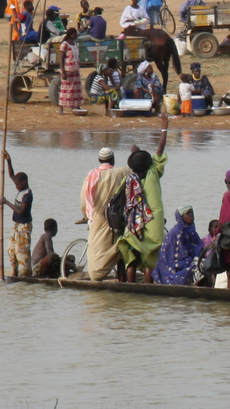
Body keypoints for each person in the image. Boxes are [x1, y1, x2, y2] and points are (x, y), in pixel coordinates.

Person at [116, 131, 169, 281]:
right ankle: (148, 288)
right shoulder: (153, 172)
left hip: (134, 224)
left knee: (132, 259)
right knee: (150, 261)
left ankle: (131, 287)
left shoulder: (129, 179)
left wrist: (134, 151)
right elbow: (160, 149)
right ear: (148, 163)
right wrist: (164, 129)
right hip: (153, 223)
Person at [79, 146, 130, 281]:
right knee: (120, 246)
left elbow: (84, 202)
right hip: (117, 217)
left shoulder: (91, 176)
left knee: (98, 250)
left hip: (98, 219)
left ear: (99, 160)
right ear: (113, 160)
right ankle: (122, 278)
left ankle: (99, 274)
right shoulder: (121, 172)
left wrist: (87, 215)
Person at [0, 151, 34, 278]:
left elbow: (20, 211)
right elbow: (11, 175)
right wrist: (8, 160)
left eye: (18, 184)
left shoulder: (27, 194)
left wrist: (6, 202)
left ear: (24, 182)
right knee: (11, 251)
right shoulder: (20, 188)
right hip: (16, 226)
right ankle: (14, 274)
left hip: (24, 227)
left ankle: (25, 276)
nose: (16, 187)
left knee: (22, 254)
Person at [154, 207, 203, 285]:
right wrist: (193, 259)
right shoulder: (177, 232)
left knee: (205, 263)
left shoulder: (192, 231)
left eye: (192, 213)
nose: (191, 215)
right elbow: (180, 255)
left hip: (188, 260)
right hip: (173, 266)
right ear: (181, 216)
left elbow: (199, 246)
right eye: (188, 213)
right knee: (199, 266)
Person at [58, 27, 85, 114]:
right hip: (68, 70)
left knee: (76, 89)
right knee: (65, 90)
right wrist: (63, 72)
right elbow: (61, 59)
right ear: (71, 35)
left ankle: (77, 106)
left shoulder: (74, 43)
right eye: (74, 34)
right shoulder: (65, 44)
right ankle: (61, 108)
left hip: (75, 69)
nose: (76, 35)